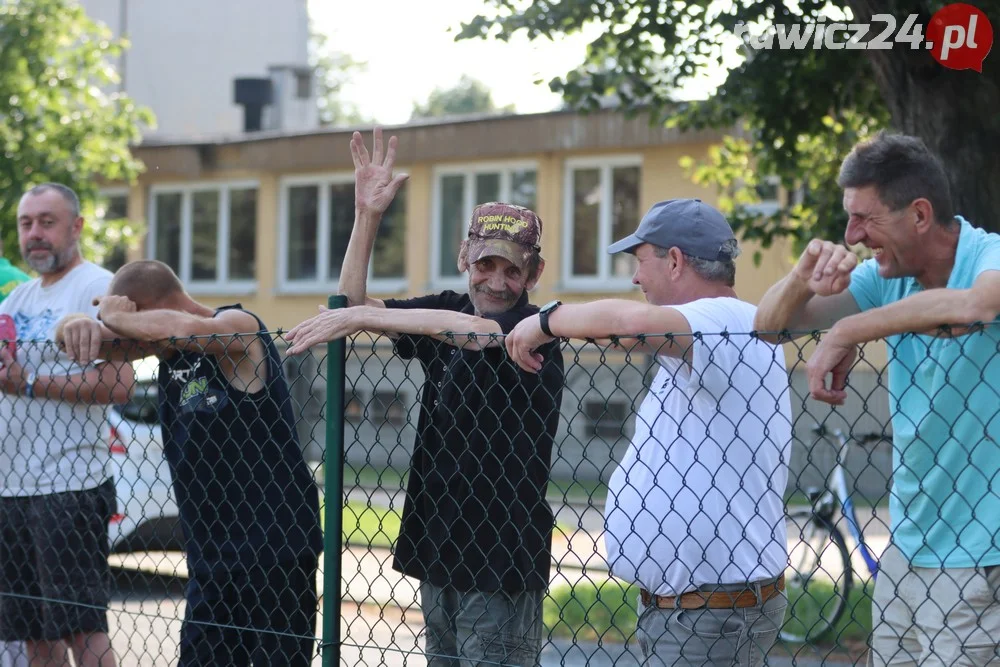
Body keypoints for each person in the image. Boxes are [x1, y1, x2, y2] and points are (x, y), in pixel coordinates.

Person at [285, 128, 565, 667]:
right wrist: (367, 217)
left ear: (535, 273)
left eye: (513, 269)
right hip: (441, 547)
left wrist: (366, 316)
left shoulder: (536, 330)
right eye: (486, 265)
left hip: (500, 563)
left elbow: (474, 334)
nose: (498, 282)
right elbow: (350, 298)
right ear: (465, 257)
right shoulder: (444, 307)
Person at [505, 198, 793, 667]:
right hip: (695, 611)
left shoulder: (723, 320)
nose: (636, 279)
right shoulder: (706, 333)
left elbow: (628, 323)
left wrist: (545, 321)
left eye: (641, 262)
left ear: (675, 260)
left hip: (710, 615)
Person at [753, 131, 1000, 667]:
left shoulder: (989, 255)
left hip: (980, 560)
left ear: (919, 214)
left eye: (865, 219)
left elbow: (977, 306)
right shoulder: (887, 279)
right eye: (848, 218)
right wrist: (801, 278)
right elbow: (769, 329)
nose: (852, 235)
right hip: (905, 555)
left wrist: (851, 331)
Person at [57, 260, 324, 667]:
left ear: (146, 311)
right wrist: (74, 323)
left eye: (134, 322)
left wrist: (113, 317)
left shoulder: (238, 326)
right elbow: (83, 341)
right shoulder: (165, 347)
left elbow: (179, 329)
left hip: (274, 546)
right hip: (210, 552)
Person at [0, 183, 135, 667]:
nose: (35, 233)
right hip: (11, 490)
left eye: (46, 222)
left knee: (83, 632)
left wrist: (30, 382)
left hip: (68, 486)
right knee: (34, 638)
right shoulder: (18, 300)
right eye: (26, 223)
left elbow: (120, 385)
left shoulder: (100, 288)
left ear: (76, 226)